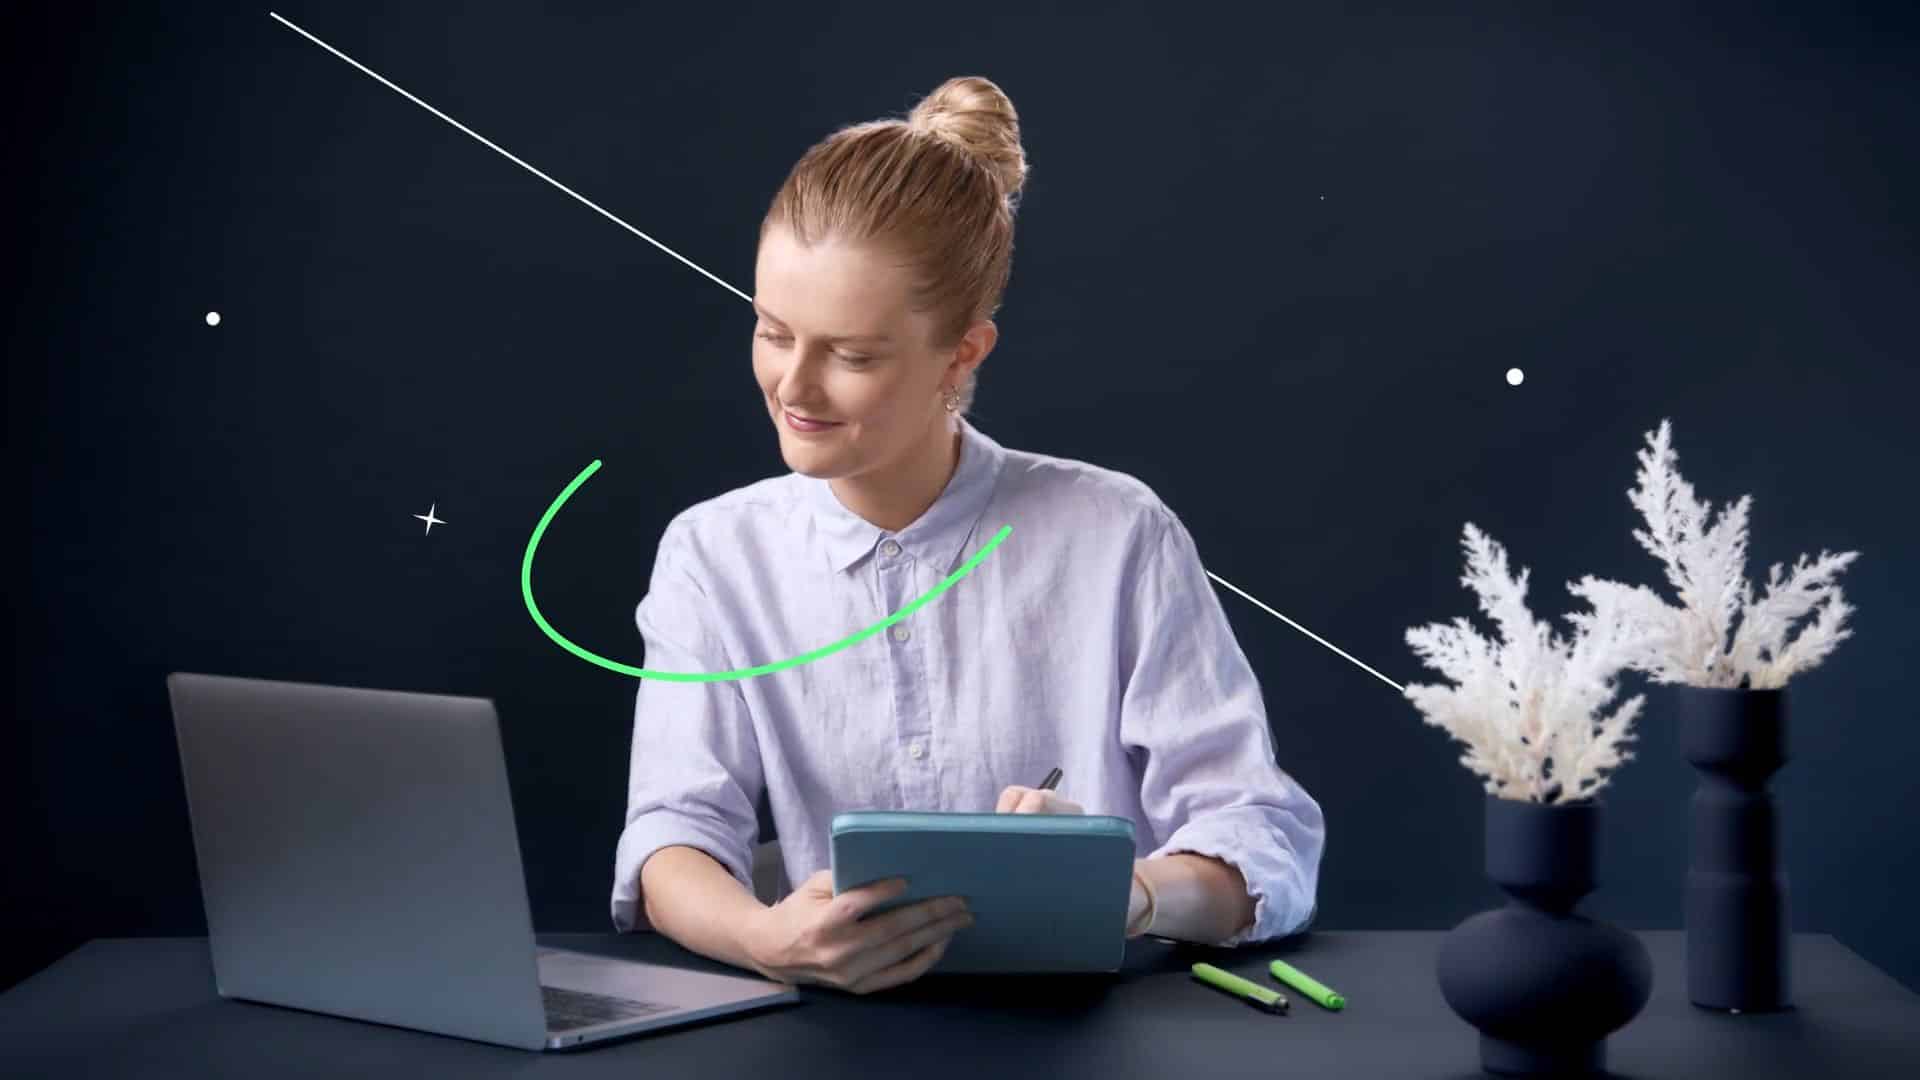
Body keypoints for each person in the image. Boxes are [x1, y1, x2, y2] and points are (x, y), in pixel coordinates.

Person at [610, 76, 1324, 996]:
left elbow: (1263, 840)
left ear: (963, 354)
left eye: (853, 355)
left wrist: (1130, 890)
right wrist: (763, 938)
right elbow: (671, 834)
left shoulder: (1117, 534)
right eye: (772, 331)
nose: (794, 386)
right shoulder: (713, 557)